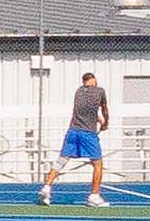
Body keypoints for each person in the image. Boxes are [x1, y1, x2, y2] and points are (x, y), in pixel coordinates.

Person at [40, 71, 111, 207]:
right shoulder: (100, 91)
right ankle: (94, 196)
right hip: (88, 133)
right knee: (97, 163)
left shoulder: (78, 92)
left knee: (62, 160)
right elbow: (105, 109)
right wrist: (105, 122)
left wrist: (99, 120)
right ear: (94, 80)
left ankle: (46, 187)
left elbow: (86, 110)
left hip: (73, 131)